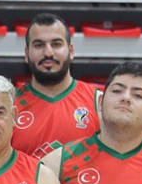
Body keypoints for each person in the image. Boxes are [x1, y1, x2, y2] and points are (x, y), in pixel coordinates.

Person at [12, 13, 101, 158]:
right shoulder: (9, 105)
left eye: (56, 44)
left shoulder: (98, 103)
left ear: (71, 51)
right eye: (39, 45)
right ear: (27, 54)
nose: (48, 52)